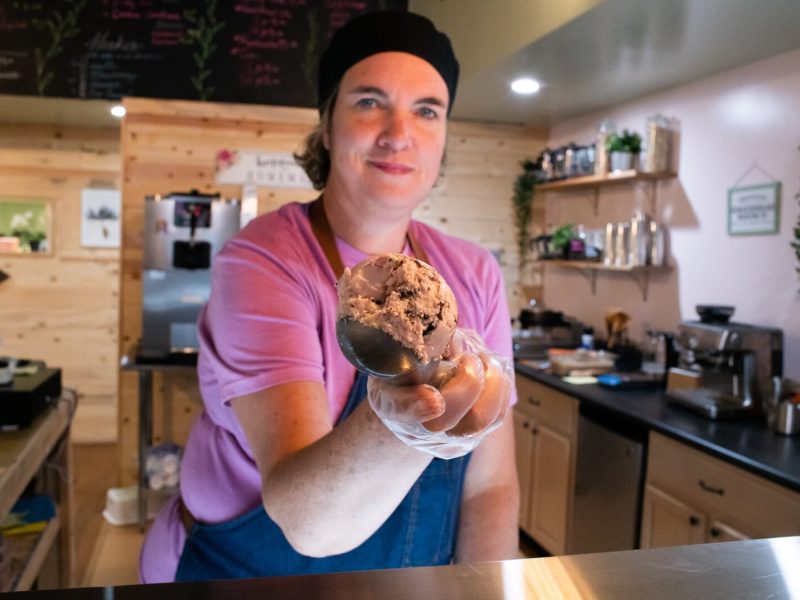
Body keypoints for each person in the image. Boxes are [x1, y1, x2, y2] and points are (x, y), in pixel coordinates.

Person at [139, 10, 519, 583]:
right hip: (244, 577)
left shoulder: (474, 273)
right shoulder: (265, 260)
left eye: (426, 110)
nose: (399, 132)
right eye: (369, 102)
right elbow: (310, 524)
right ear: (327, 124)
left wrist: (485, 592)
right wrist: (402, 421)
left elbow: (490, 486)